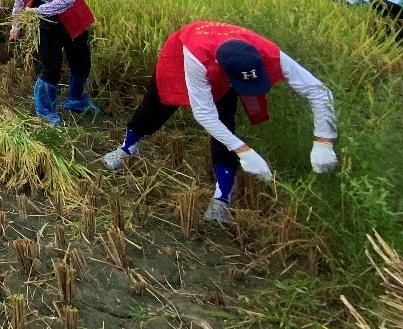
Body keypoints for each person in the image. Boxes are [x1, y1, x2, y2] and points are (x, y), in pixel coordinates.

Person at [102, 21, 338, 224]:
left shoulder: (268, 53)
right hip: (181, 57)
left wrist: (324, 140)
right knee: (154, 108)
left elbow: (319, 91)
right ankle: (127, 147)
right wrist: (244, 151)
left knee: (225, 121)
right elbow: (203, 114)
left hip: (224, 66)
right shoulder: (196, 56)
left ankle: (222, 197)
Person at [9, 0, 97, 124]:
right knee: (51, 69)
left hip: (74, 24)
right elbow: (19, 2)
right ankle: (46, 111)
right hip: (47, 29)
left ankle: (77, 100)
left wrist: (39, 10)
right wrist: (15, 26)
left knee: (81, 64)